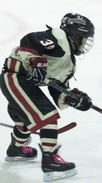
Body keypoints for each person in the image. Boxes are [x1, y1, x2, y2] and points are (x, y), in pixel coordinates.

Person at [0, 13, 95, 181]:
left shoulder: (69, 63)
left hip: (23, 82)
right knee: (48, 115)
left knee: (25, 121)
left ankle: (16, 149)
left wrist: (73, 98)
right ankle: (50, 161)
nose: (85, 43)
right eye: (84, 38)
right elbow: (30, 40)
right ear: (76, 35)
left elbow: (57, 88)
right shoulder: (58, 37)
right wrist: (37, 61)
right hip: (15, 77)